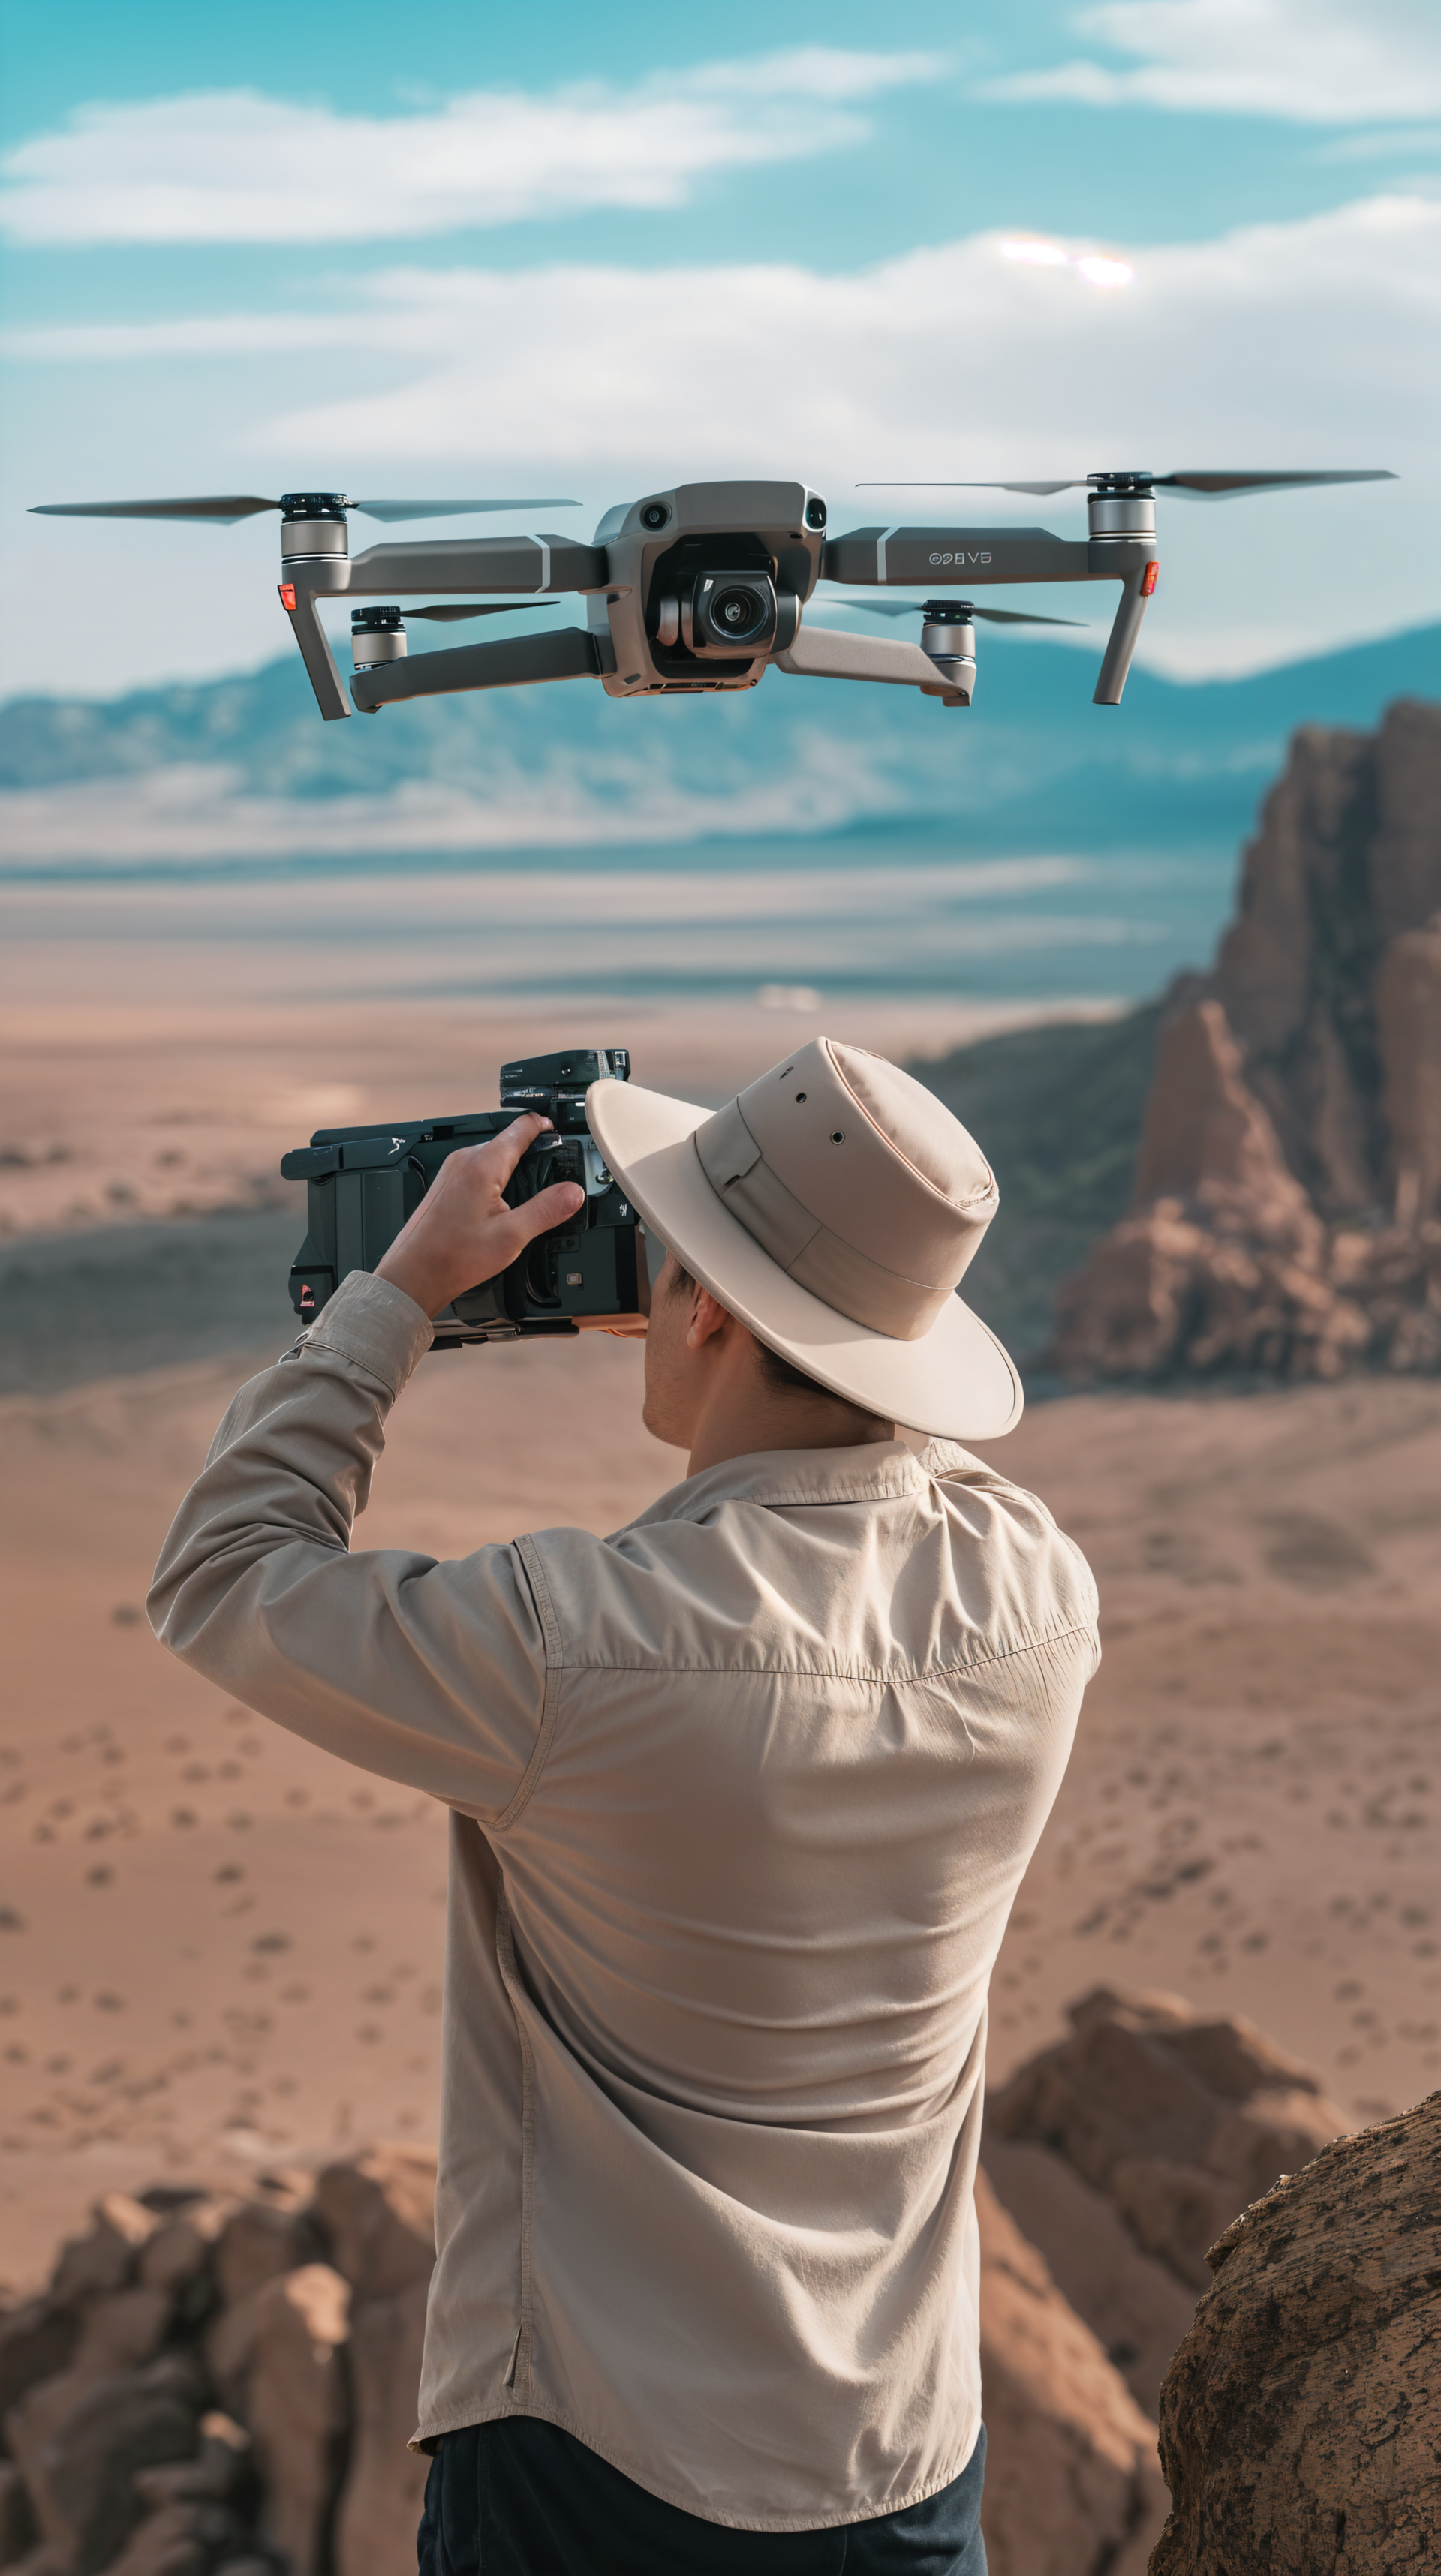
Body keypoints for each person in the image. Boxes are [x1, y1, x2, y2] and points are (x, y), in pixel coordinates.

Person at [150, 1036, 1099, 2575]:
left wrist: (398, 1301)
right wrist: (751, 1300)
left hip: (600, 2463)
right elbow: (888, 1447)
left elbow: (223, 1574)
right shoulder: (1041, 1594)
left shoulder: (573, 1647)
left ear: (708, 1304)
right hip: (898, 2459)